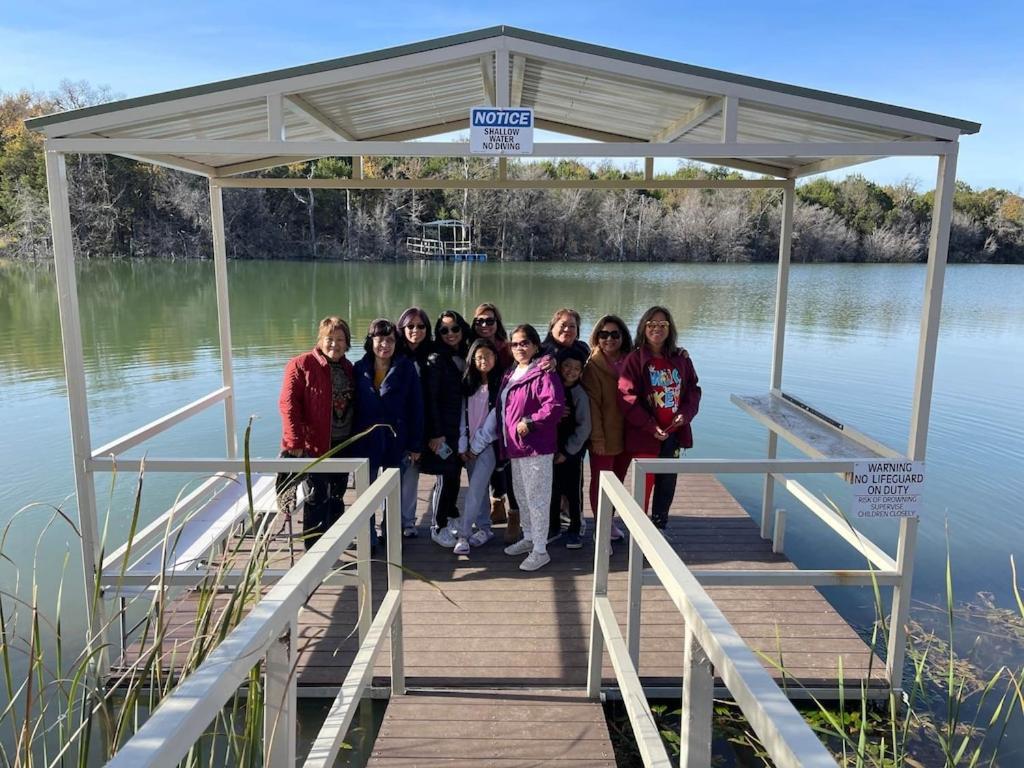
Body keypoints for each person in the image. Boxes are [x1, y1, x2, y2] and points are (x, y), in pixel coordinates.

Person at [489, 324, 565, 571]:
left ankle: (541, 551)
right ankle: (530, 537)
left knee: (538, 499)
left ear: (534, 345)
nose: (519, 348)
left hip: (536, 447)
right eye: (515, 344)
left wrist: (531, 422)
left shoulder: (543, 371)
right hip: (515, 447)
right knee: (521, 496)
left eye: (524, 343)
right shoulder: (511, 372)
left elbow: (554, 406)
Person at [618, 306, 701, 529]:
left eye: (662, 324)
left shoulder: (681, 359)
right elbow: (627, 396)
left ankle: (659, 526)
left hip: (673, 434)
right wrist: (649, 425)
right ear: (643, 328)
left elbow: (693, 390)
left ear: (670, 329)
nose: (657, 329)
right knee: (643, 486)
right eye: (651, 324)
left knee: (666, 484)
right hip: (646, 434)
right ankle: (639, 530)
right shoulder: (635, 359)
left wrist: (686, 414)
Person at [278, 316, 355, 550]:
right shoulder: (301, 365)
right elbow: (288, 404)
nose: (335, 344)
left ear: (347, 343)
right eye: (329, 339)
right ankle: (314, 549)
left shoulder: (348, 368)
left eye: (340, 339)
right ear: (320, 340)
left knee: (337, 495)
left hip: (343, 443)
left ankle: (336, 541)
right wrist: (294, 441)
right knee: (316, 496)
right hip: (314, 446)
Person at [351, 319, 424, 544]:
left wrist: (415, 445)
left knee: (394, 493)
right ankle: (369, 537)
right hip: (367, 443)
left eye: (390, 340)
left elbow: (416, 407)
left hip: (397, 442)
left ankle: (392, 535)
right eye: (380, 339)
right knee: (367, 493)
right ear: (370, 341)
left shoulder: (405, 368)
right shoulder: (359, 368)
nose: (385, 344)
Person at [420, 310, 472, 548]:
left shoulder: (464, 354)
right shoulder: (435, 359)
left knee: (455, 475)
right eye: (444, 330)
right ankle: (437, 525)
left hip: (460, 427)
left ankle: (451, 516)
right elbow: (431, 398)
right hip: (443, 430)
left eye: (454, 328)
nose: (450, 334)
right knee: (445, 476)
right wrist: (435, 433)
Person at [581, 314, 633, 541]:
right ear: (596, 337)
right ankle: (600, 529)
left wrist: (679, 353)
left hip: (629, 434)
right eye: (604, 334)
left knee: (618, 481)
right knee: (602, 482)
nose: (609, 339)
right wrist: (597, 439)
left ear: (623, 336)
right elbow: (592, 405)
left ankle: (609, 521)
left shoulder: (632, 360)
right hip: (605, 435)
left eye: (614, 334)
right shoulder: (592, 366)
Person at [469, 302, 519, 538]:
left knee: (506, 465)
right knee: (487, 465)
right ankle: (495, 504)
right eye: (480, 321)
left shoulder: (508, 348)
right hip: (477, 416)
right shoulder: (470, 347)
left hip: (505, 413)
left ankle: (513, 514)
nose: (485, 325)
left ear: (497, 323)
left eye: (490, 320)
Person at [457, 338, 503, 554]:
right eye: (479, 357)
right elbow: (463, 418)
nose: (483, 361)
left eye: (488, 356)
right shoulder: (469, 384)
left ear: (495, 357)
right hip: (469, 449)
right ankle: (485, 528)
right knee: (481, 488)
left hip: (487, 447)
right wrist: (463, 445)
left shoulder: (501, 385)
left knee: (474, 490)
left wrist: (475, 447)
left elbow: (494, 423)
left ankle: (464, 535)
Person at [548, 346, 591, 549]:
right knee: (553, 490)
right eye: (567, 366)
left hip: (572, 453)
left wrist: (567, 451)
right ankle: (554, 527)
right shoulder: (553, 388)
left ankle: (574, 530)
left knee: (574, 492)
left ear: (581, 372)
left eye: (576, 368)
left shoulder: (579, 393)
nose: (571, 371)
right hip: (551, 450)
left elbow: (585, 427)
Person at [396, 307, 434, 537]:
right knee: (389, 478)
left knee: (411, 475)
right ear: (402, 328)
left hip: (420, 425)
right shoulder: (393, 354)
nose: (415, 331)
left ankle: (408, 522)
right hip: (394, 426)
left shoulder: (433, 355)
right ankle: (389, 523)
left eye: (421, 326)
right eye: (410, 326)